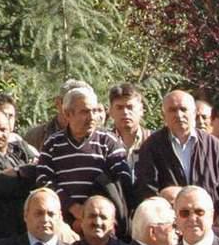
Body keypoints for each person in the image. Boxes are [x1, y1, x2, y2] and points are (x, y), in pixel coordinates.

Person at [26, 85, 137, 221]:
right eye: (85, 112)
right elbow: (44, 180)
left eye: (95, 111)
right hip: (62, 221)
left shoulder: (108, 141)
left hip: (101, 220)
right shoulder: (53, 143)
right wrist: (73, 208)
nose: (92, 117)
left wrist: (94, 213)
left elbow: (122, 180)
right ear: (68, 114)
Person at [134, 91, 219, 213]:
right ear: (163, 115)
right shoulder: (151, 146)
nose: (179, 115)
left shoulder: (213, 145)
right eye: (172, 110)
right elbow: (146, 189)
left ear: (194, 113)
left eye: (183, 109)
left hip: (209, 222)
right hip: (169, 223)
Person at [0, 103, 39, 244]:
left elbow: (40, 171)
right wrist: (24, 172)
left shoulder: (19, 149)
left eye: (3, 129)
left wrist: (17, 172)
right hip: (2, 233)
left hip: (29, 229)